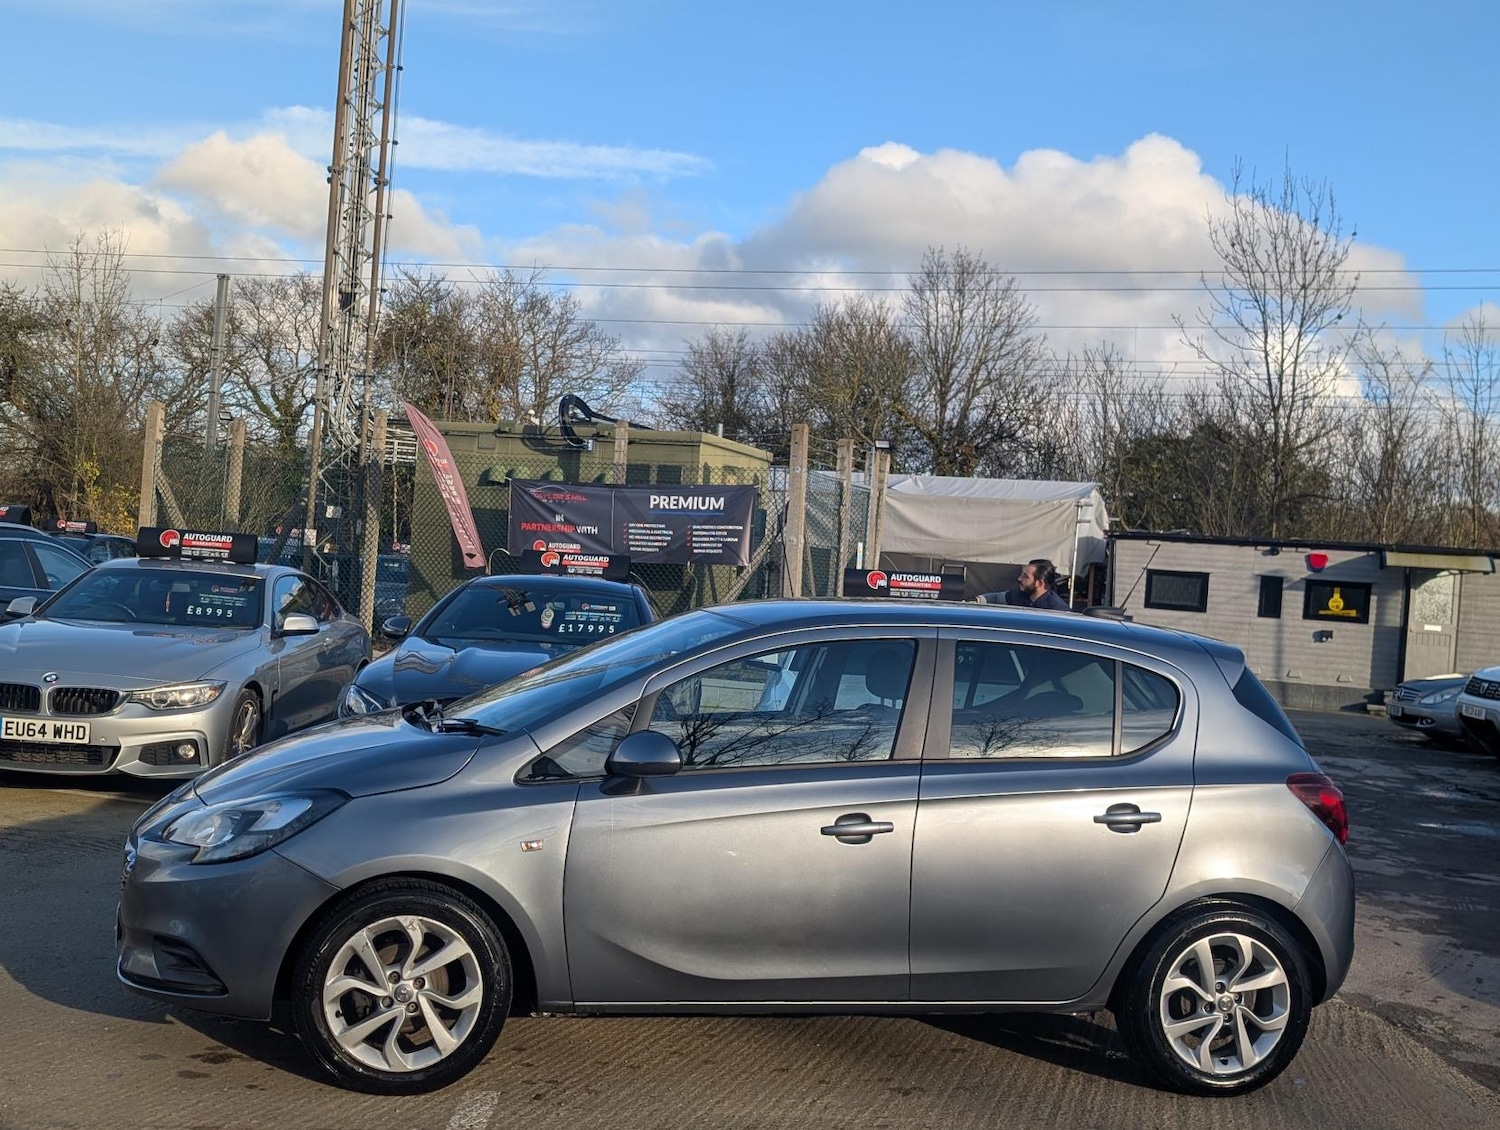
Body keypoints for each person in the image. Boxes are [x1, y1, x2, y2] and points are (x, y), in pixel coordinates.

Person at [977, 559, 1072, 612]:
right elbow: (996, 598)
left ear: (1040, 583)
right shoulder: (1019, 595)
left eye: (1025, 576)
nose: (1019, 579)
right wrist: (978, 600)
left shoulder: (1057, 610)